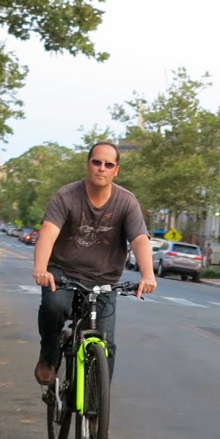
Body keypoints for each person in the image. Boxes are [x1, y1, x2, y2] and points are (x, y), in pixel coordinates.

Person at [31, 143, 157, 384]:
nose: (102, 168)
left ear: (116, 170)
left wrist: (148, 274)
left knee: (106, 343)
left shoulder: (126, 202)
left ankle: (96, 407)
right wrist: (40, 267)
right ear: (88, 165)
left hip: (104, 280)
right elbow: (48, 232)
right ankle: (49, 356)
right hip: (63, 272)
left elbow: (140, 238)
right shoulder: (66, 196)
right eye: (97, 162)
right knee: (54, 307)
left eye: (109, 164)